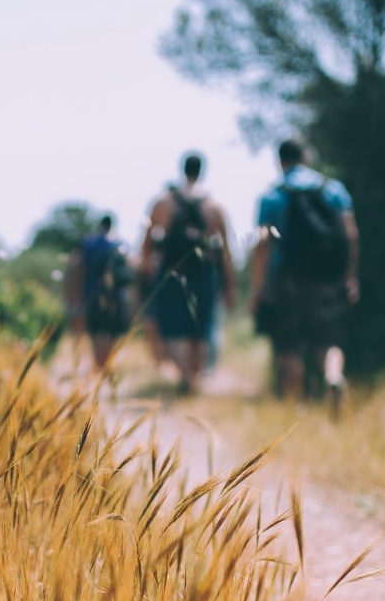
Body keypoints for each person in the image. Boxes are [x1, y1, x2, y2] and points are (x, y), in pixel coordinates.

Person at [249, 139, 360, 416]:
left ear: (280, 161)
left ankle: (295, 409)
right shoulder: (332, 189)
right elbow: (350, 235)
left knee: (289, 344)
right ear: (307, 157)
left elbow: (263, 246)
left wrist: (258, 288)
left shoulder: (272, 196)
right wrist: (349, 276)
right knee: (328, 338)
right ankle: (333, 377)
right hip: (327, 276)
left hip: (287, 279)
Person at [141, 153, 236, 394]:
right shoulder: (214, 206)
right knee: (200, 326)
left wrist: (145, 276)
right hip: (204, 271)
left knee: (173, 326)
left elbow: (147, 245)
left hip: (172, 270)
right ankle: (194, 376)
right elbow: (225, 251)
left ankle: (185, 375)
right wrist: (229, 286)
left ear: (182, 170)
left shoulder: (164, 202)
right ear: (202, 171)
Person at [66, 215, 132, 371]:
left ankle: (98, 364)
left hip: (93, 294)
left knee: (96, 332)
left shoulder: (89, 243)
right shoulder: (119, 244)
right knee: (112, 331)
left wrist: (75, 296)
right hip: (116, 296)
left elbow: (77, 269)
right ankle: (106, 361)